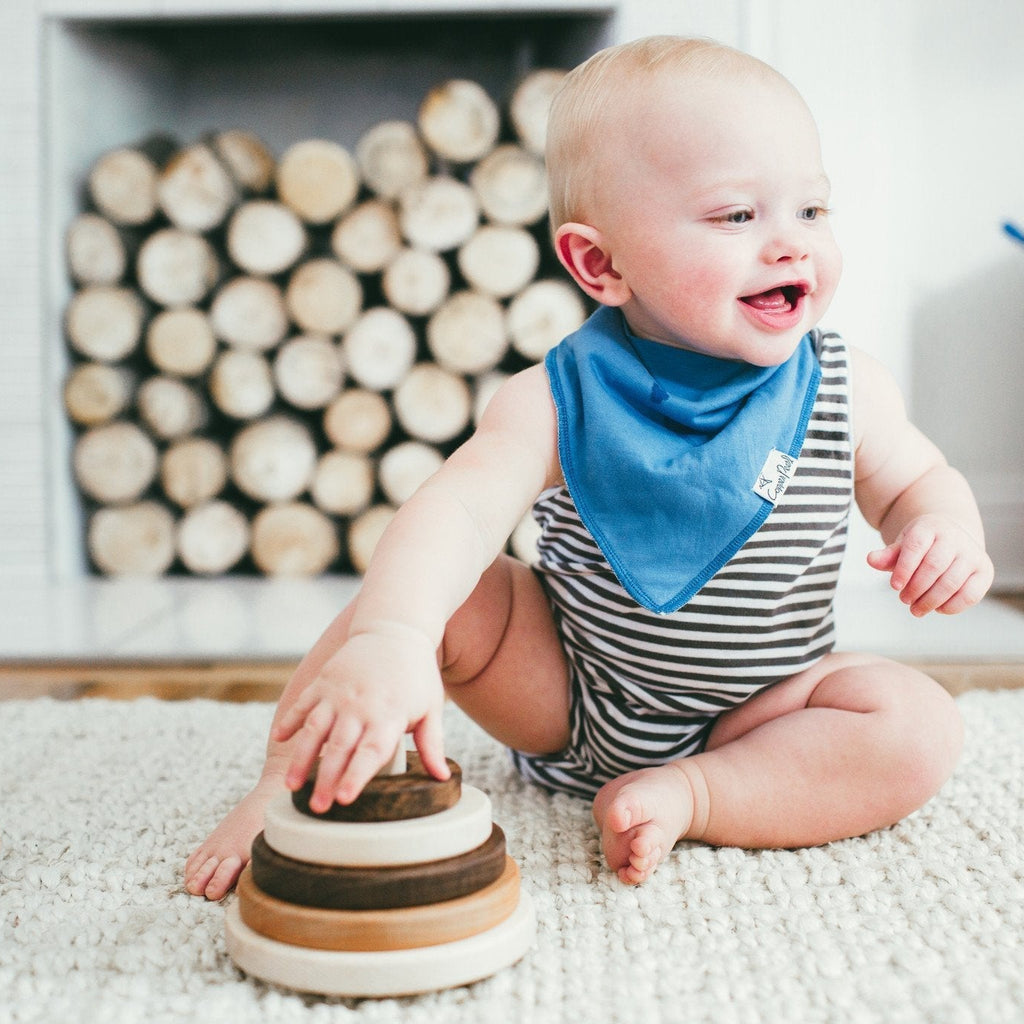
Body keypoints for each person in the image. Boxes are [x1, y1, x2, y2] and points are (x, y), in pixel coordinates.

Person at [186, 35, 993, 897]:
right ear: (599, 264)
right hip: (566, 691)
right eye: (737, 216)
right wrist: (396, 639)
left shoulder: (846, 388)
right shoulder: (554, 397)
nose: (791, 244)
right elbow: (456, 510)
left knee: (917, 724)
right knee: (422, 590)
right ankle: (287, 778)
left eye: (811, 209)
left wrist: (942, 527)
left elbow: (917, 483)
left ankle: (700, 795)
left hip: (764, 714)